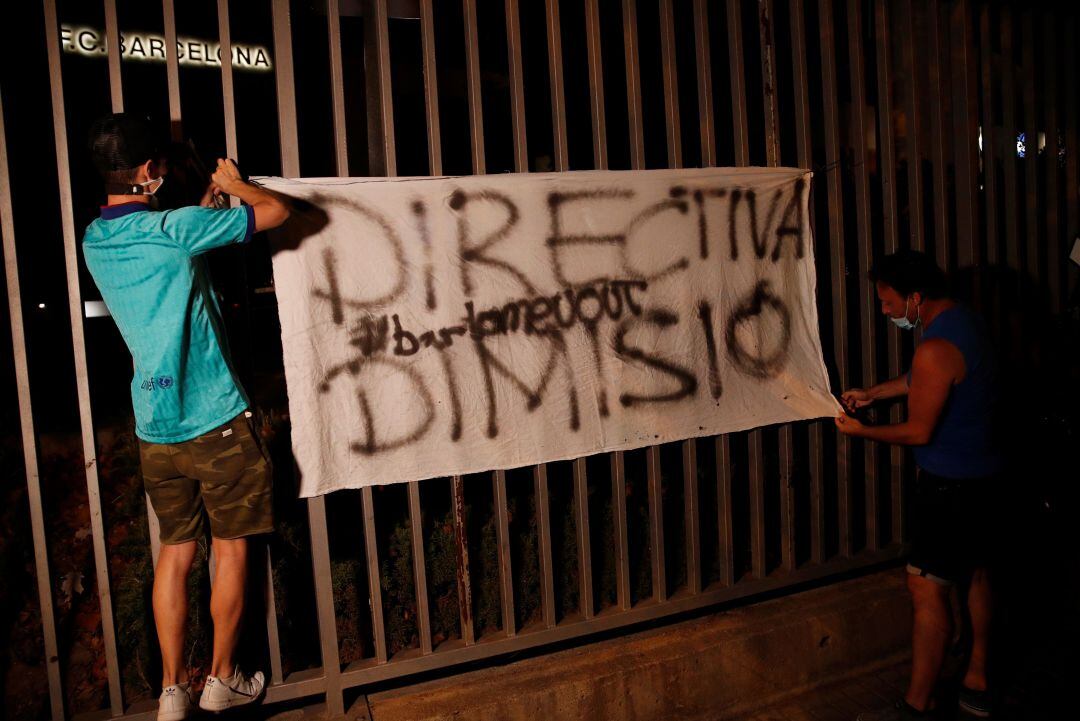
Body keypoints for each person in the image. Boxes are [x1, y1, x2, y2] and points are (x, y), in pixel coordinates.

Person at [83, 114, 289, 720]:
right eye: (161, 166)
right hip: (215, 421)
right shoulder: (176, 228)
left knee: (175, 554)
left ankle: (172, 691)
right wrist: (239, 185)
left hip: (155, 427)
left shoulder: (96, 239)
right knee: (231, 550)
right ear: (149, 173)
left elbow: (174, 249)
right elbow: (275, 214)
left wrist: (207, 204)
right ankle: (222, 679)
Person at [835, 250, 999, 721]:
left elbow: (917, 431)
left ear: (915, 297)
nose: (885, 311)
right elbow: (922, 380)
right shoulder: (965, 323)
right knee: (978, 575)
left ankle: (918, 703)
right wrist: (874, 393)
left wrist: (859, 429)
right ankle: (978, 680)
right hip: (987, 475)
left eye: (888, 302)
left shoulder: (933, 348)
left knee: (927, 590)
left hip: (949, 487)